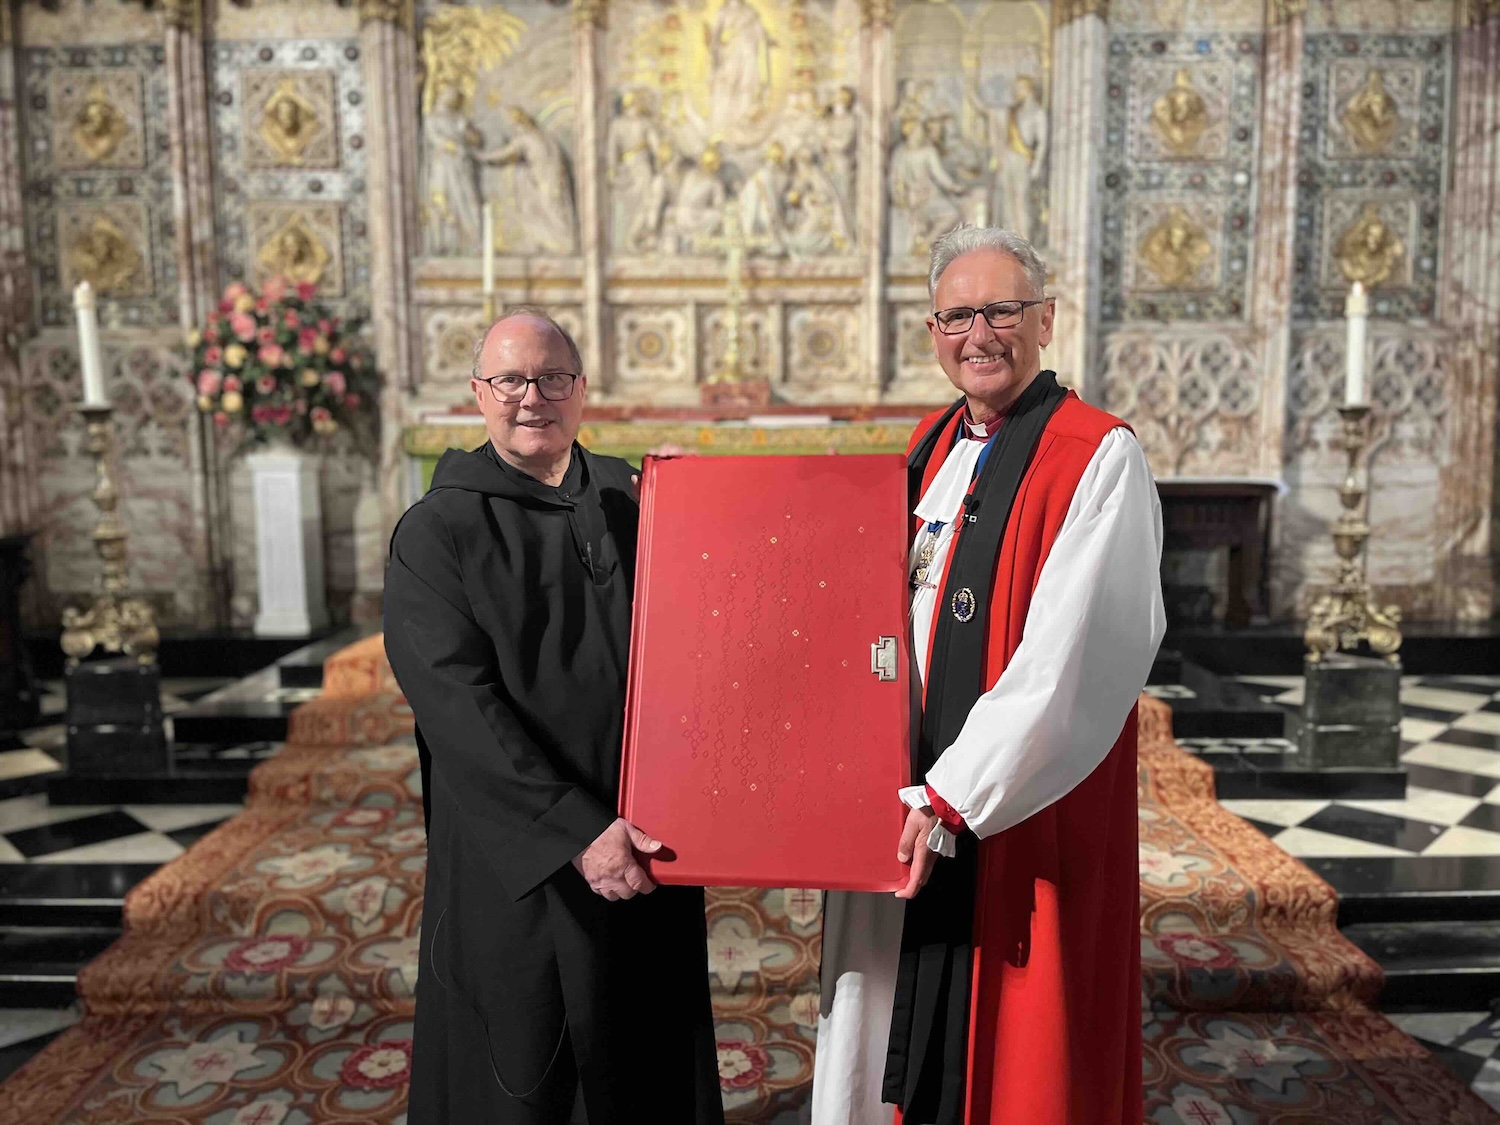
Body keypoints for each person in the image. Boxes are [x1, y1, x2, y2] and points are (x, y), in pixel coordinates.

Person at [812, 226, 1165, 1125]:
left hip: (1011, 805)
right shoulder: (926, 448)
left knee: (1018, 1051)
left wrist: (950, 796)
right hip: (908, 791)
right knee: (889, 1003)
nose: (981, 333)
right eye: (959, 315)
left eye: (1003, 310)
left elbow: (1074, 657)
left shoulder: (1097, 456)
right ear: (933, 332)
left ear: (1045, 319)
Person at [384, 310, 723, 1124]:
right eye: (511, 379)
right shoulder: (438, 531)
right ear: (478, 393)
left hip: (646, 832)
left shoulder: (637, 498)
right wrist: (575, 831)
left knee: (648, 1052)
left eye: (552, 378)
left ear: (581, 389)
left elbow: (703, 640)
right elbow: (458, 706)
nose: (532, 397)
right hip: (528, 856)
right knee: (536, 1067)